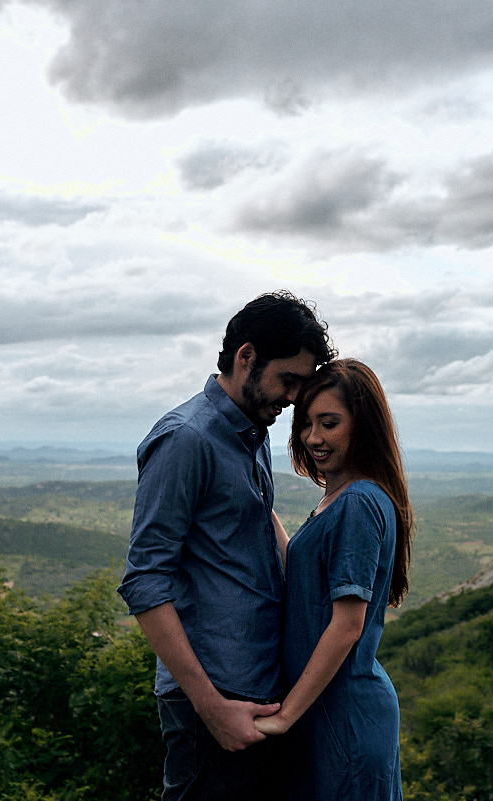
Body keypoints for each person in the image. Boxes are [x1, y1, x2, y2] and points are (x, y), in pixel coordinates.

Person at [117, 291, 336, 800]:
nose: (294, 398)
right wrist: (211, 708)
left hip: (260, 689)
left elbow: (254, 516)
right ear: (246, 356)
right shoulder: (186, 438)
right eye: (288, 380)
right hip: (213, 701)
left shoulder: (250, 431)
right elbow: (144, 580)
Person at [254, 358, 414, 800]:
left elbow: (347, 625)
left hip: (347, 719)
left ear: (363, 426)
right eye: (306, 424)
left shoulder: (358, 502)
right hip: (327, 713)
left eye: (329, 423)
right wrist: (257, 506)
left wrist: (285, 716)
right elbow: (303, 572)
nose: (313, 438)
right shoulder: (339, 497)